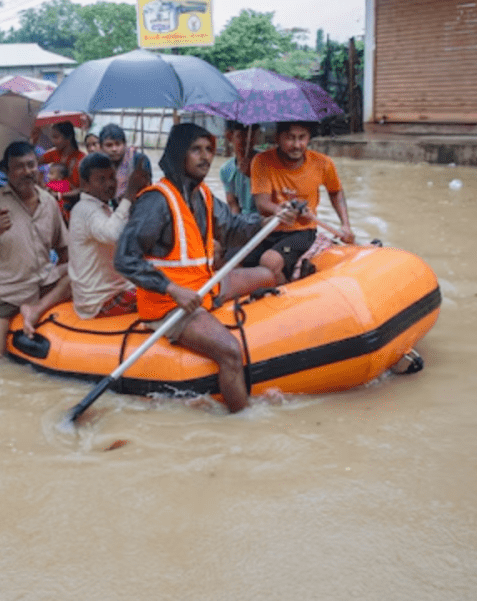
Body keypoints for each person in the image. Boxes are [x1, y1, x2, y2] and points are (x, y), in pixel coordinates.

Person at [115, 123, 294, 413]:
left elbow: (234, 228)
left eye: (209, 150)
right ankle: (242, 421)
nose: (205, 157)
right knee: (231, 353)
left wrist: (270, 220)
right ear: (178, 154)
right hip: (169, 304)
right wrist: (172, 290)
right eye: (196, 150)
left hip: (205, 286)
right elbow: (124, 258)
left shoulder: (203, 197)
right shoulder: (155, 202)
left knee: (266, 276)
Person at [0, 141, 71, 365]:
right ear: (7, 172)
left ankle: (35, 310)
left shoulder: (49, 202)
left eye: (31, 165)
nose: (27, 172)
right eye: (19, 167)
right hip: (1, 292)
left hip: (40, 284)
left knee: (76, 271)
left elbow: (64, 250)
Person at [247, 121, 354, 285]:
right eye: (290, 138)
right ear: (278, 138)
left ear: (309, 137)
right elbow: (262, 203)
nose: (297, 145)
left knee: (269, 261)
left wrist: (345, 225)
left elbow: (335, 191)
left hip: (302, 230)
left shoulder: (323, 163)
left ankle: (287, 294)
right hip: (269, 227)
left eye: (302, 138)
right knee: (226, 256)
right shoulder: (261, 161)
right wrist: (279, 210)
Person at [68, 152, 149, 319]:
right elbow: (114, 234)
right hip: (100, 302)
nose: (110, 184)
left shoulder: (101, 207)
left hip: (112, 291)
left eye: (112, 177)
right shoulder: (85, 209)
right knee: (163, 295)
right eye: (101, 179)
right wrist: (129, 193)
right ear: (85, 184)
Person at [98, 124, 152, 201]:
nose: (114, 149)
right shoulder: (99, 164)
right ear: (101, 147)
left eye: (118, 144)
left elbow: (147, 192)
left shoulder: (139, 160)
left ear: (125, 144)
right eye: (109, 145)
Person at [219, 120, 259, 215]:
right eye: (241, 136)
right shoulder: (226, 169)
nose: (247, 141)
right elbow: (233, 204)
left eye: (251, 135)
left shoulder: (266, 162)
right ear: (229, 136)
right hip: (243, 221)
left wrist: (252, 175)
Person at [39, 121, 85, 194]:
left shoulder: (82, 159)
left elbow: (84, 189)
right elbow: (35, 162)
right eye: (52, 137)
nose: (53, 141)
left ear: (69, 137)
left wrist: (60, 195)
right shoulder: (54, 153)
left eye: (56, 137)